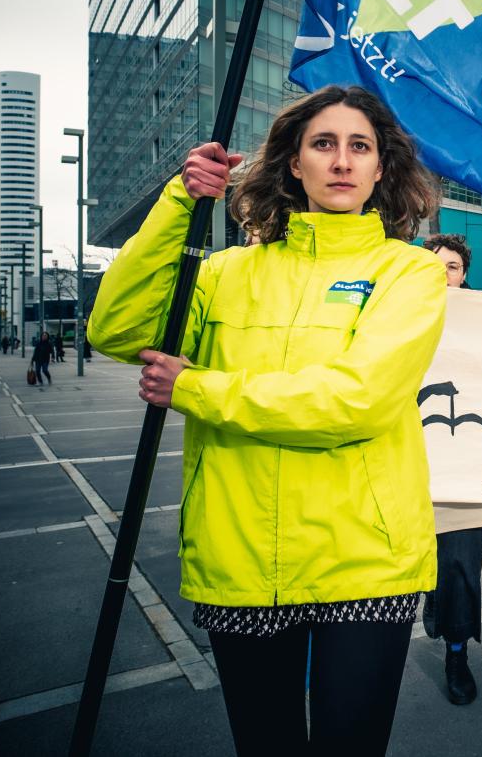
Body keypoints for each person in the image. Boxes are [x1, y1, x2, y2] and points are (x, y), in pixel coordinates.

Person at [87, 85, 446, 753]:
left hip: (366, 563)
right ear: (294, 164)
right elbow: (117, 330)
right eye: (323, 143)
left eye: (360, 146)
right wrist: (179, 204)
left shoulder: (409, 273)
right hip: (241, 559)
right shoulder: (223, 272)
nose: (342, 160)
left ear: (380, 169)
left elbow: (356, 399)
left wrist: (197, 388)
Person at [420, 232, 482, 706]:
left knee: (461, 564)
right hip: (404, 459)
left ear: (464, 276)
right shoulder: (393, 314)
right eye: (434, 266)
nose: (443, 276)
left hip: (465, 464)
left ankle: (457, 652)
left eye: (453, 267)